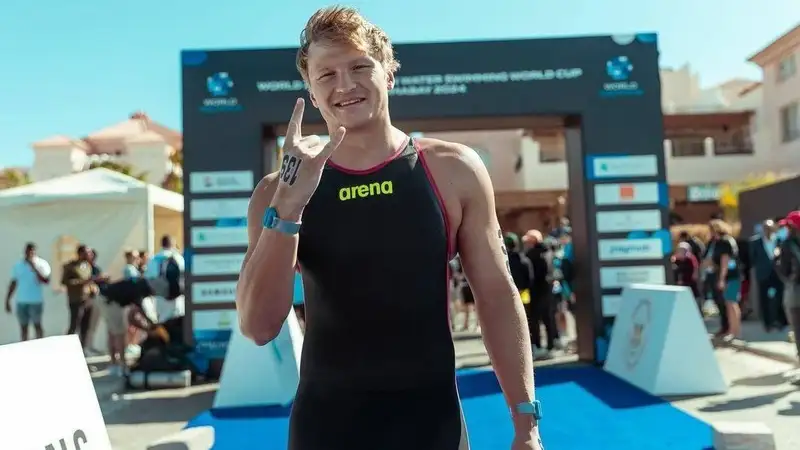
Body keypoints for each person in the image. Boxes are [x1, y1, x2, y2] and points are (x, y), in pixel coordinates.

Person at [235, 7, 541, 450]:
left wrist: (526, 422)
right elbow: (258, 327)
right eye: (327, 75)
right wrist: (288, 205)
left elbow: (496, 294)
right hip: (327, 429)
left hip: (432, 427)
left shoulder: (452, 169)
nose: (345, 85)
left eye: (360, 67)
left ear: (389, 74)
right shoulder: (275, 191)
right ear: (312, 93)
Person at [702, 219, 741, 340]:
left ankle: (734, 331)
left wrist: (722, 279)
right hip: (721, 276)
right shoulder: (714, 242)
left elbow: (725, 262)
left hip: (730, 277)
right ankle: (731, 330)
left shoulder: (725, 242)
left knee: (731, 303)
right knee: (728, 303)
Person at [5, 243, 51, 341]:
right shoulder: (18, 265)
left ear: (35, 252)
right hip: (21, 301)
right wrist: (7, 300)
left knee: (37, 325)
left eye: (32, 251)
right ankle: (24, 345)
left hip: (35, 301)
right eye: (27, 251)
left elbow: (46, 281)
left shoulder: (41, 263)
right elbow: (14, 283)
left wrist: (34, 268)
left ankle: (41, 344)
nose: (29, 253)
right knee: (23, 327)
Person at [523, 230, 559, 358]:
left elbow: (531, 275)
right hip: (548, 290)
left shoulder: (532, 255)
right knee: (548, 318)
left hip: (536, 291)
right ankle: (551, 345)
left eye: (528, 240)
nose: (526, 243)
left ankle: (537, 346)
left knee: (534, 320)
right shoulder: (549, 252)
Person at [775, 211, 800, 384]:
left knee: (798, 332)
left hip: (795, 293)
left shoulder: (787, 244)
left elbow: (783, 270)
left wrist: (776, 261)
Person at [750, 220, 787, 331]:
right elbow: (752, 258)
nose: (768, 231)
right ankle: (767, 323)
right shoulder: (755, 242)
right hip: (763, 274)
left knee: (780, 297)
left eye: (770, 228)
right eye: (766, 228)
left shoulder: (779, 240)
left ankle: (780, 321)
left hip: (778, 273)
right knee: (764, 299)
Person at [62, 245, 96, 351]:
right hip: (76, 300)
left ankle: (82, 349)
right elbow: (65, 282)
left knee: (85, 326)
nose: (90, 255)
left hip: (88, 300)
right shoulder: (70, 266)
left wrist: (93, 288)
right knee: (74, 325)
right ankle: (67, 349)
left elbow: (89, 280)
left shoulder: (88, 266)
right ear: (80, 254)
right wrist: (81, 282)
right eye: (87, 253)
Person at [144, 235, 185, 322]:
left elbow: (148, 279)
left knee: (163, 321)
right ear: (172, 244)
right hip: (178, 297)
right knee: (178, 321)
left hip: (160, 297)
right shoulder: (179, 258)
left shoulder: (154, 259)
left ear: (161, 244)